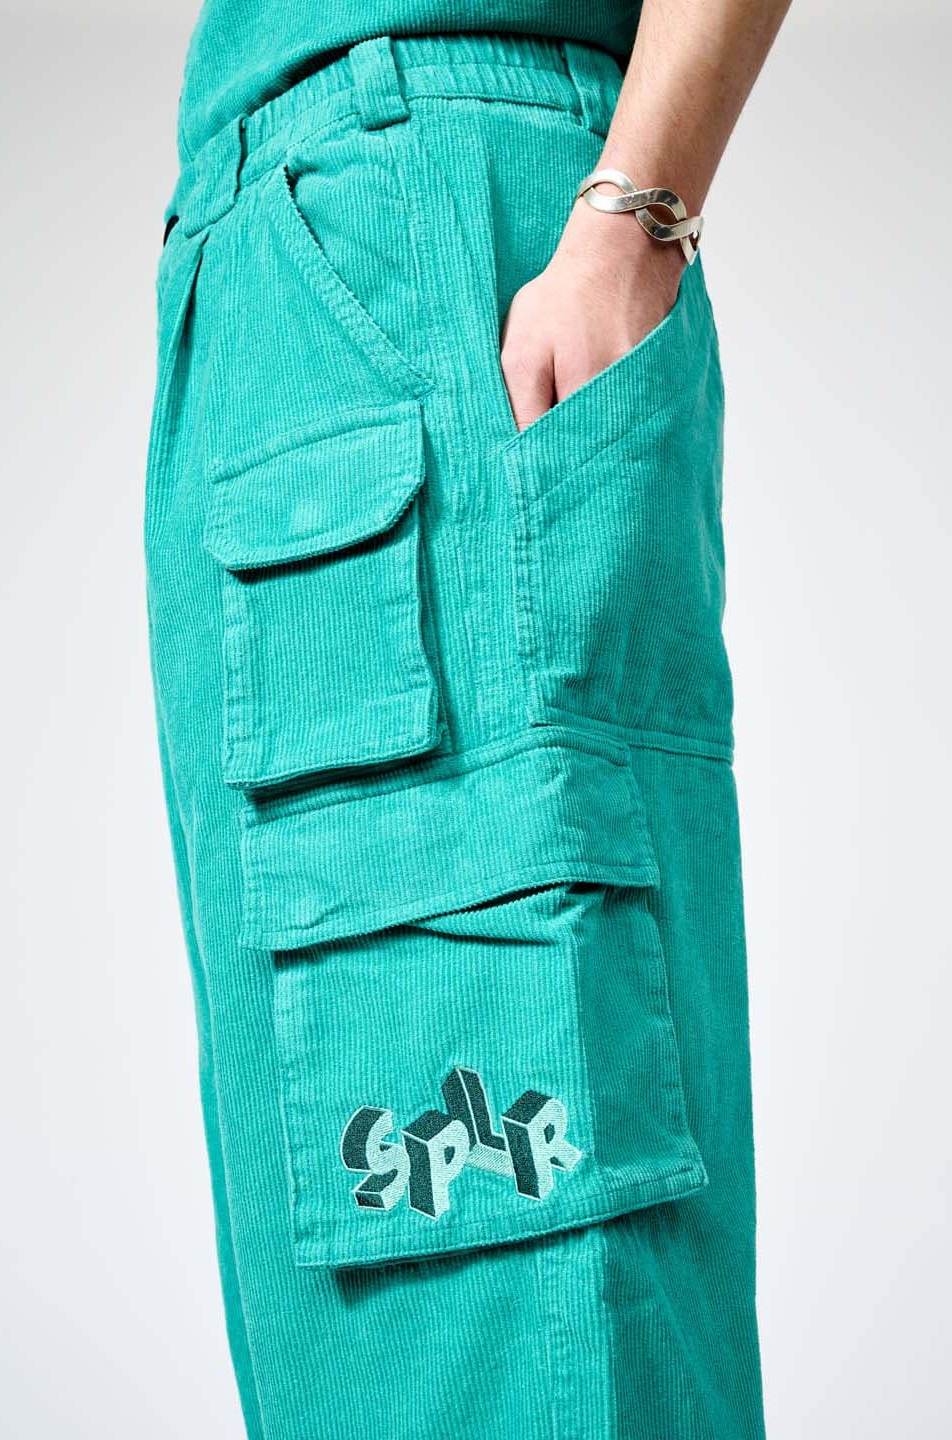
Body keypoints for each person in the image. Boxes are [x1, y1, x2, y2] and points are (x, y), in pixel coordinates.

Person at [146, 1, 790, 1435]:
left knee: (523, 1300)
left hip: (414, 231)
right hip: (265, 271)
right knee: (358, 1336)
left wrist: (637, 213)